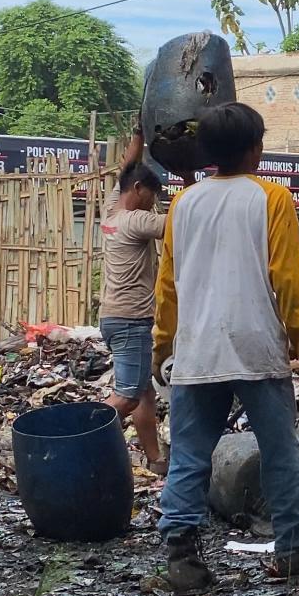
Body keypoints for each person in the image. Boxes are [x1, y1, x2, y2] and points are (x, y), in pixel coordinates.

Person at [152, 102, 299, 589]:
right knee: (280, 453)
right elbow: (291, 281)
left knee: (189, 456)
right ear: (255, 148)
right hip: (255, 347)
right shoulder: (271, 199)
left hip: (196, 349)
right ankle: (295, 546)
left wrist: (163, 346)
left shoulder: (183, 205)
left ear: (207, 151)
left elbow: (166, 285)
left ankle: (181, 557)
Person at [100, 128, 168, 474]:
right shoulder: (137, 221)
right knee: (127, 395)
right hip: (131, 320)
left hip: (111, 318)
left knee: (143, 393)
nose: (153, 203)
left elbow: (127, 167)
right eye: (151, 196)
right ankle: (80, 439)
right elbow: (182, 222)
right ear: (139, 190)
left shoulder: (111, 210)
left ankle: (156, 459)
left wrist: (139, 134)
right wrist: (192, 182)